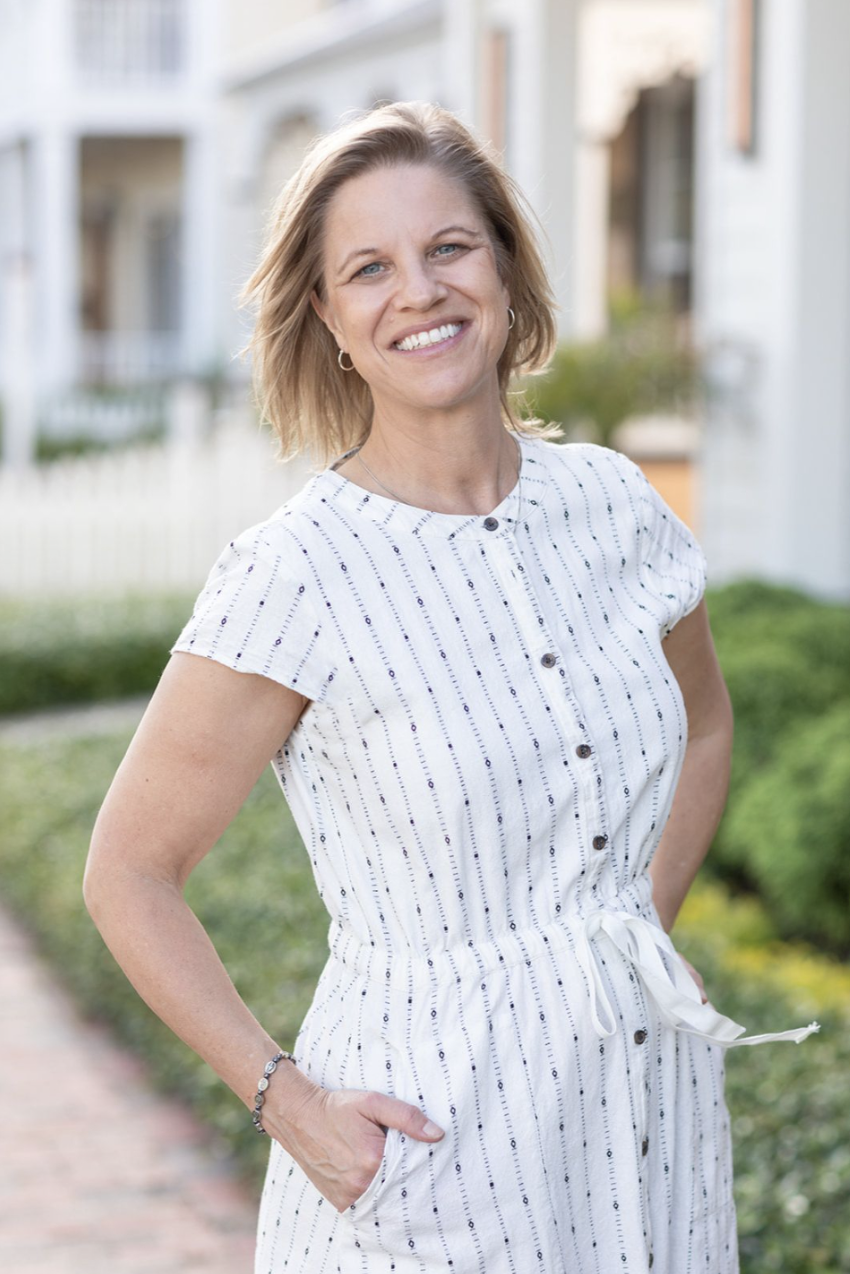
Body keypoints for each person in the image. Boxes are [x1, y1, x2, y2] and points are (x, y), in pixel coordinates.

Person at [83, 100, 819, 1274]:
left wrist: (641, 924)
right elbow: (127, 868)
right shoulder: (295, 571)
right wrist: (287, 1103)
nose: (416, 292)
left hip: (647, 1104)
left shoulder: (615, 503)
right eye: (366, 269)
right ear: (326, 316)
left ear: (506, 269)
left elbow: (706, 722)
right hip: (425, 1144)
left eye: (448, 248)